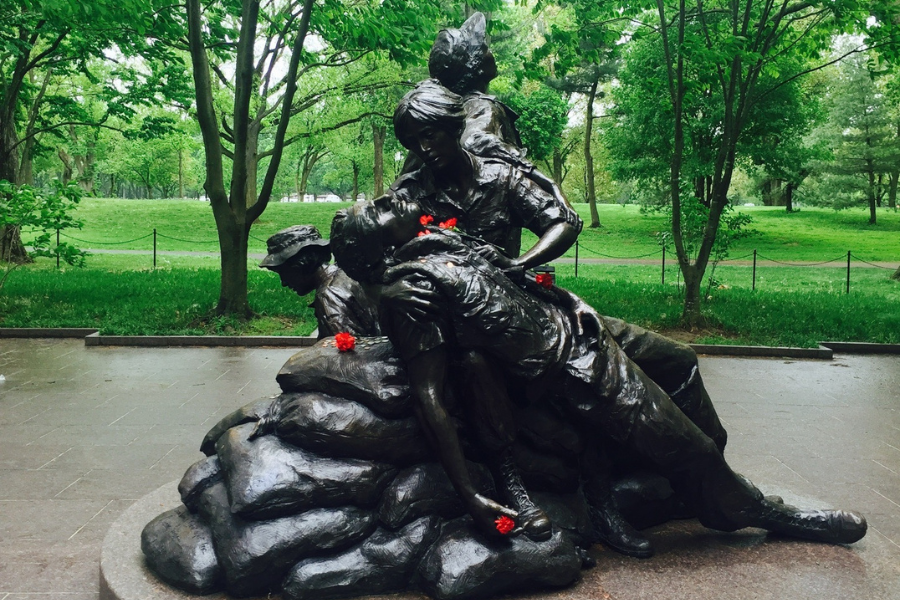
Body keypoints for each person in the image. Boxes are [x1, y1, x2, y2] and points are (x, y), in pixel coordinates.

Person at [329, 197, 868, 548]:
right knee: (690, 449)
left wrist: (568, 297)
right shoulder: (407, 296)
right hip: (574, 364)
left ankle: (694, 477)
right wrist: (470, 494)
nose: (391, 197)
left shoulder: (438, 239)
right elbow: (430, 397)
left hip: (582, 320)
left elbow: (517, 276)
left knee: (681, 362)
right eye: (375, 209)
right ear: (375, 246)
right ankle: (763, 513)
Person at [259, 225, 381, 338]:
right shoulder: (345, 273)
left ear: (300, 265)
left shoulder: (329, 296)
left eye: (283, 273)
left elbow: (344, 355)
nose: (283, 282)